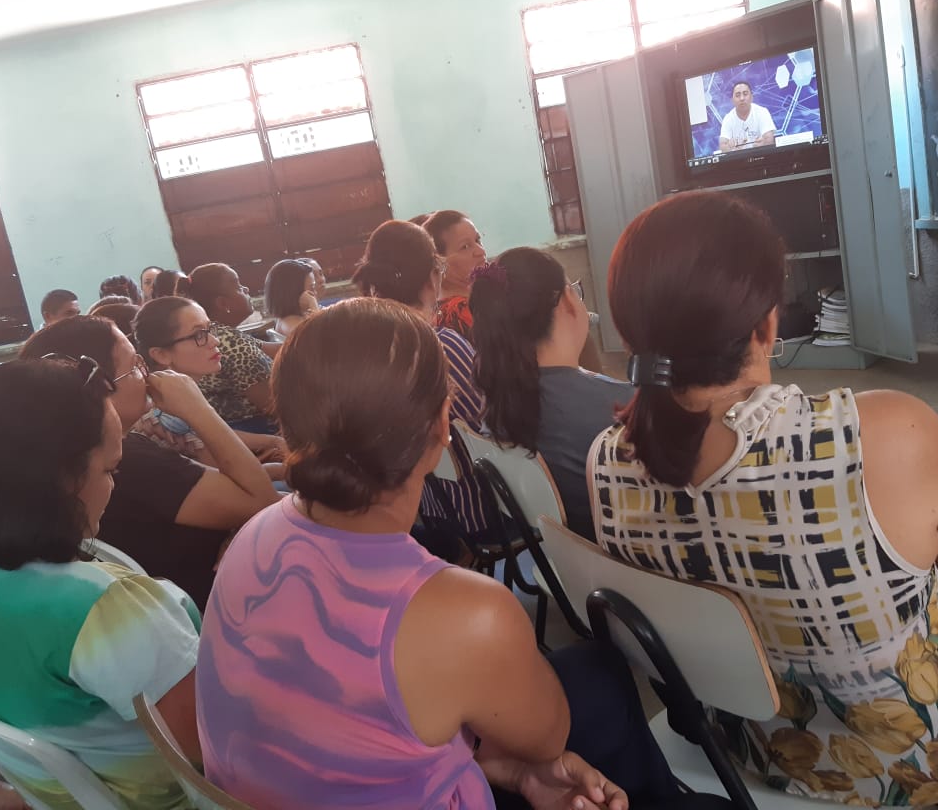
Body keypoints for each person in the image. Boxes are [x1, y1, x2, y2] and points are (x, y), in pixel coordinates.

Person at [590, 191, 938, 806]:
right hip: (930, 753)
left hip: (748, 750)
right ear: (767, 323)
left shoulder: (605, 462)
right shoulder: (885, 430)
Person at [196, 298, 683, 810]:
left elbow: (338, 735)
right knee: (600, 681)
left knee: (588, 674)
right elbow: (546, 742)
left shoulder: (251, 534)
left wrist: (496, 767)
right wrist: (511, 763)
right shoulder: (468, 614)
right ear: (441, 427)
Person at [0, 358, 199, 809]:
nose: (114, 487)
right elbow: (215, 753)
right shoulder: (106, 609)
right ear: (62, 481)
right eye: (110, 470)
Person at [19, 316, 278, 609]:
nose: (147, 373)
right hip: (210, 611)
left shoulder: (76, 455)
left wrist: (236, 525)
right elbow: (261, 502)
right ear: (99, 387)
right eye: (134, 366)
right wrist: (198, 408)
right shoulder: (127, 460)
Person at [469, 249, 630, 541]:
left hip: (569, 567)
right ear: (568, 301)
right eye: (576, 290)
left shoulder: (498, 402)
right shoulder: (626, 407)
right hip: (638, 567)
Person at [353, 221, 494, 545]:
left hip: (425, 503)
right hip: (477, 506)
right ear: (433, 275)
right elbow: (486, 424)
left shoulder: (373, 345)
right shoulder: (439, 344)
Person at [132, 297, 288, 468]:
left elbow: (207, 434)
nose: (215, 341)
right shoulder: (164, 412)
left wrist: (272, 442)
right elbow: (235, 483)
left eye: (210, 329)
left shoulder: (175, 390)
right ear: (161, 354)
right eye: (199, 335)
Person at [179, 264, 277, 433]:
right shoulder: (232, 344)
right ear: (223, 303)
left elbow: (282, 348)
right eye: (238, 287)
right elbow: (276, 407)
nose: (246, 289)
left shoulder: (219, 334)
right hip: (256, 435)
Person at [422, 210, 487, 340]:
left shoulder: (473, 302)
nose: (481, 251)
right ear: (439, 261)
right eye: (465, 247)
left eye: (478, 240)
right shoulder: (459, 312)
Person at [263, 259, 319, 341]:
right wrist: (313, 306)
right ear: (294, 293)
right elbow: (320, 340)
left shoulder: (297, 318)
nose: (315, 293)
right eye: (312, 288)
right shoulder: (290, 323)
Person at [718, 81, 776, 152]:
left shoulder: (762, 112)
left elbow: (769, 139)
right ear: (732, 100)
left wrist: (763, 144)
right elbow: (723, 146)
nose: (742, 98)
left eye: (745, 94)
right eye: (737, 95)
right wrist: (732, 148)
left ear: (751, 97)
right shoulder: (728, 118)